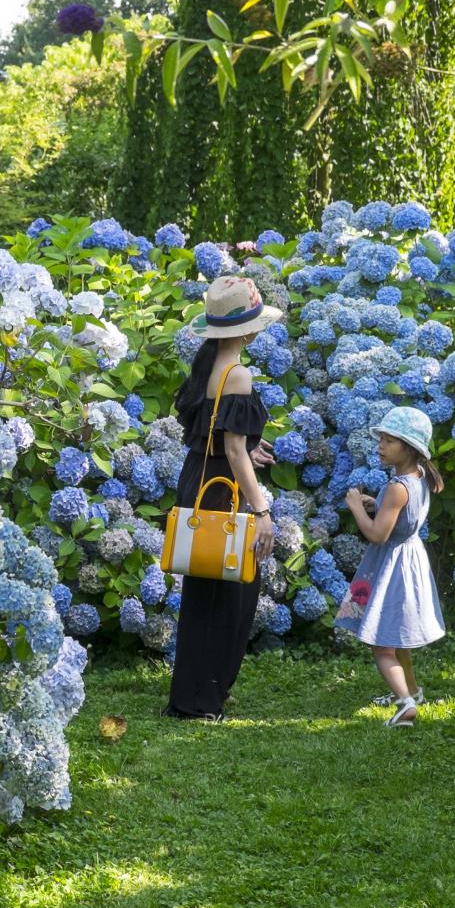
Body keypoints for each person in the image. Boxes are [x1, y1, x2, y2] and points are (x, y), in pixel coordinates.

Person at [164, 276, 280, 721]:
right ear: (247, 330)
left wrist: (247, 448)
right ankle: (202, 699)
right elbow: (232, 449)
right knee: (231, 592)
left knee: (204, 590)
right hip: (223, 487)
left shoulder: (207, 365)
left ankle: (192, 694)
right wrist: (262, 511)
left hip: (200, 478)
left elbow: (213, 438)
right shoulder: (238, 374)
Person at [334, 407, 446, 728]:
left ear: (408, 447)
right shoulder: (417, 477)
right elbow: (399, 514)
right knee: (398, 637)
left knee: (382, 643)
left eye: (388, 440)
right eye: (381, 439)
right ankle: (412, 689)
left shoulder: (398, 487)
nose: (380, 445)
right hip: (408, 559)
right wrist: (377, 503)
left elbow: (377, 533)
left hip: (391, 566)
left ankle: (405, 704)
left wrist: (357, 507)